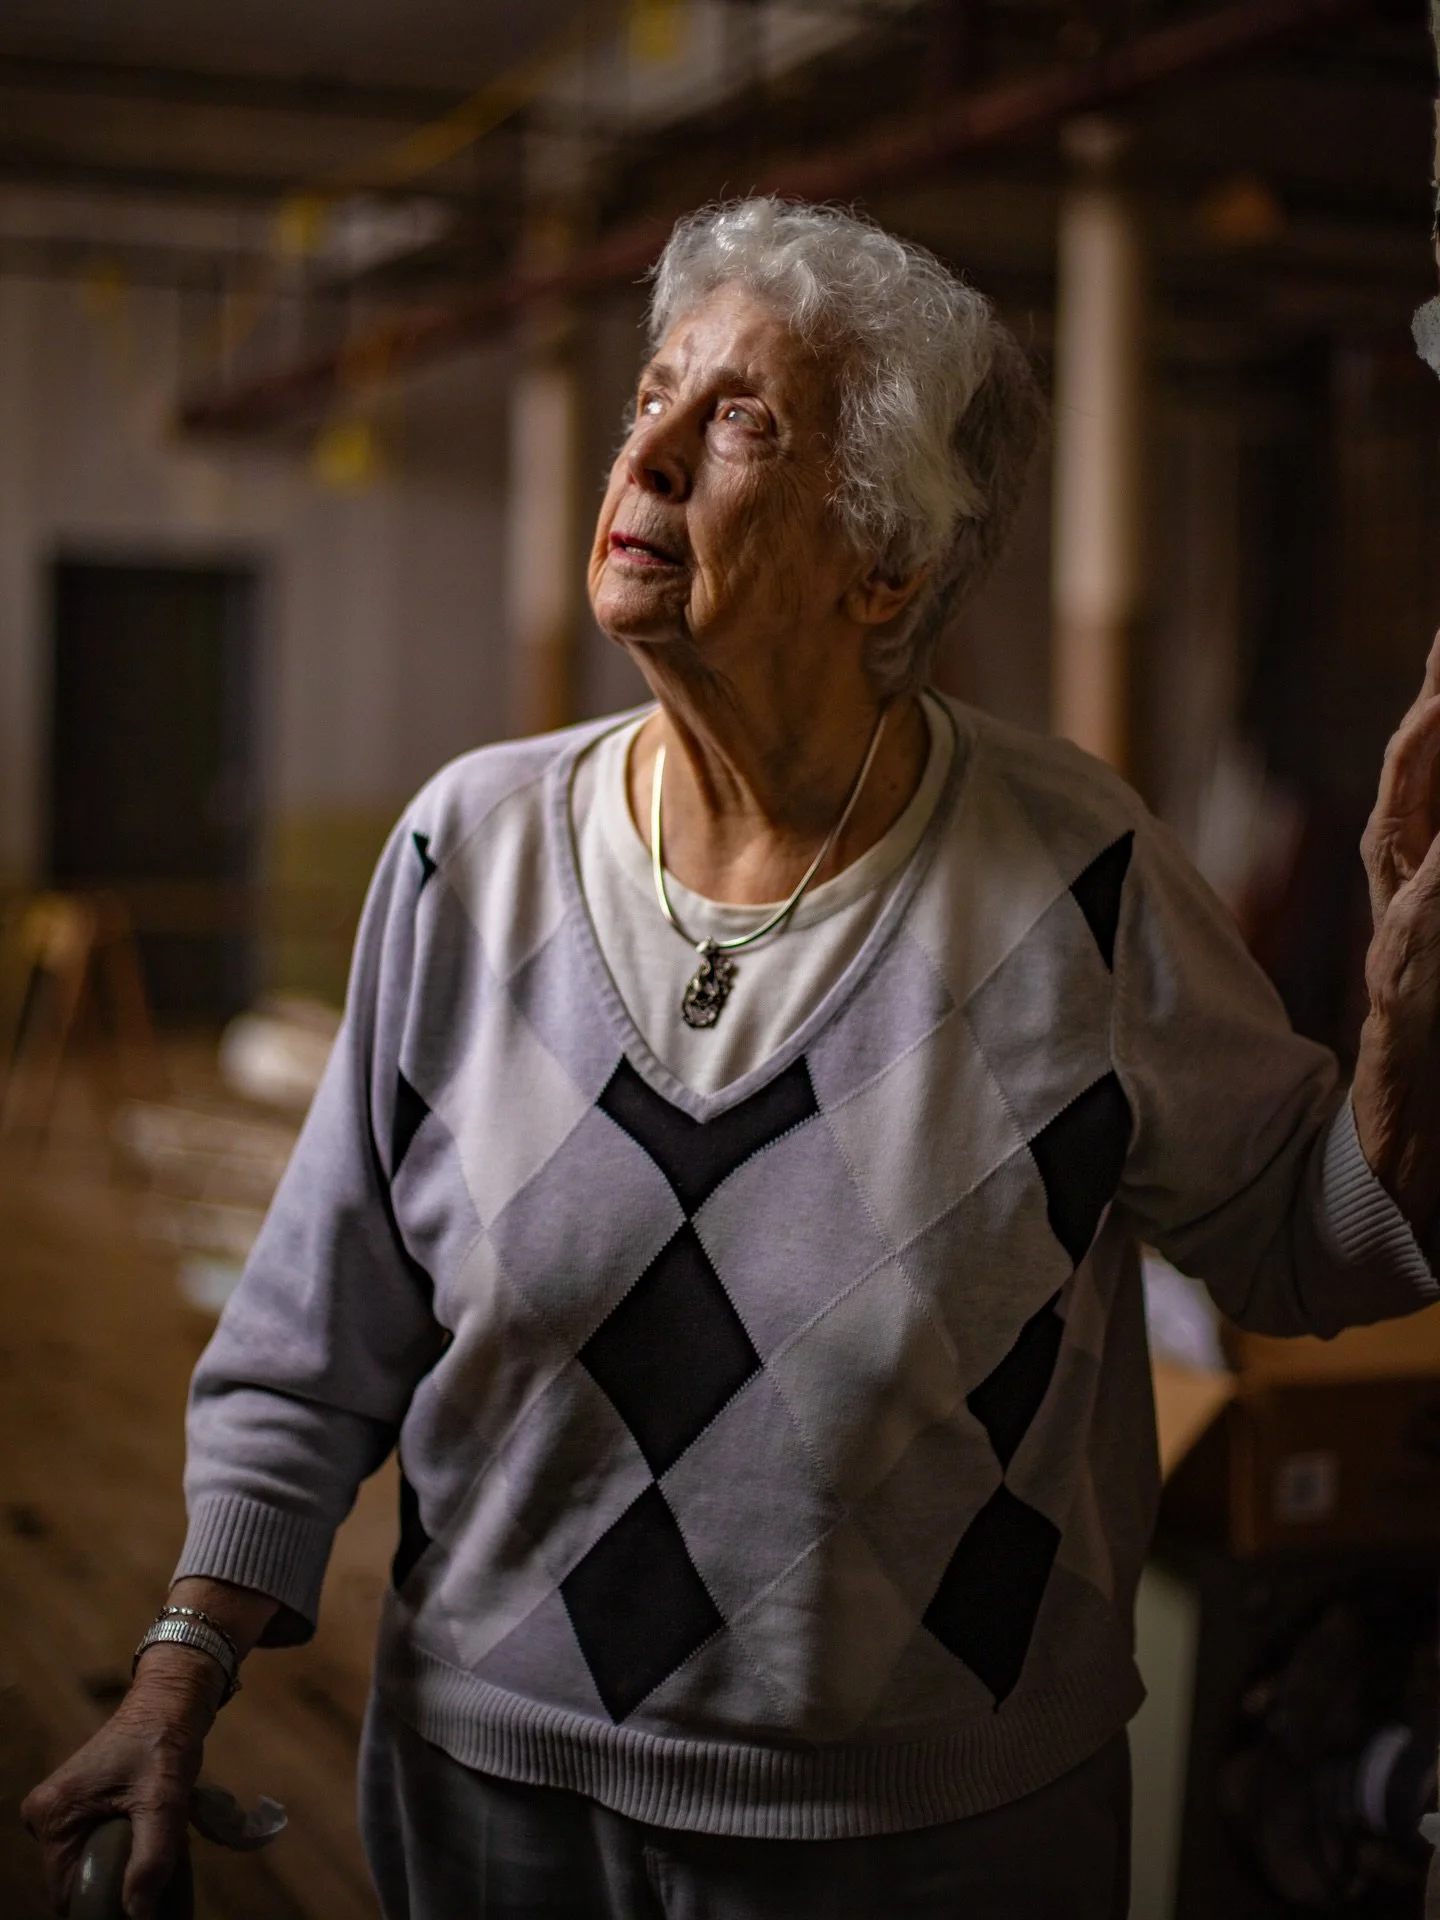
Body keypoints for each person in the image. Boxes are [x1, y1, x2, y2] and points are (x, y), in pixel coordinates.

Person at [23, 197, 1440, 1920]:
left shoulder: (1078, 881)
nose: (655, 452)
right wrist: (181, 1672)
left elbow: (1309, 1242)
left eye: (743, 420)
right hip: (490, 1805)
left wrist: (1401, 1055)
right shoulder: (466, 855)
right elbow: (316, 1336)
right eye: (654, 395)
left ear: (885, 565)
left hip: (930, 1844)